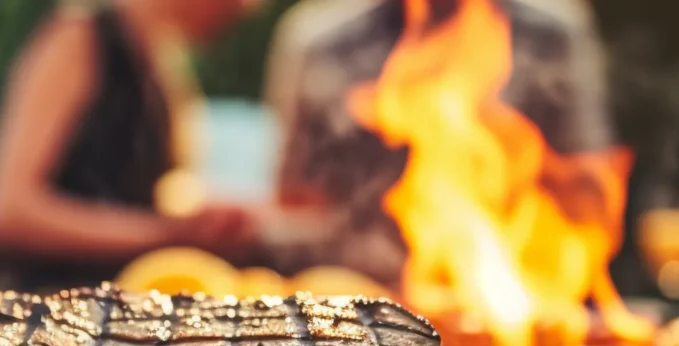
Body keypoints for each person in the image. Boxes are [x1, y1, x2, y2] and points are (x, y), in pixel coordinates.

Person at [264, 0, 616, 287]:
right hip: (357, 321)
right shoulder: (319, 42)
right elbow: (292, 205)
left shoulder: (553, 37)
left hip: (513, 310)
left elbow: (590, 205)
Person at [0, 0, 267, 290]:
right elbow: (6, 212)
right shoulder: (80, 37)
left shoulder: (162, 58)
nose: (244, 10)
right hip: (42, 311)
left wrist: (202, 220)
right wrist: (166, 236)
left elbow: (148, 197)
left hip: (118, 311)